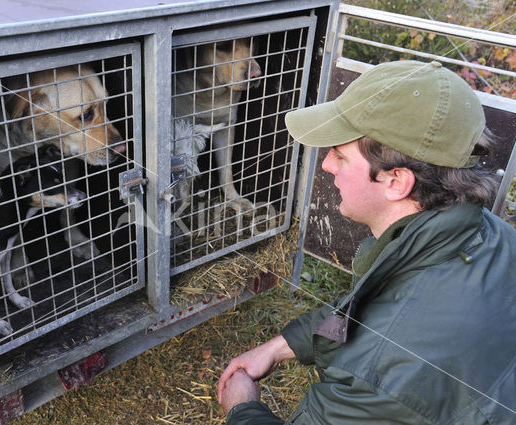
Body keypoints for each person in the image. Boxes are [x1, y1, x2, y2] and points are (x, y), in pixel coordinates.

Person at [217, 60, 516, 424]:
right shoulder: (489, 234)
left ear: (396, 182)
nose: (326, 165)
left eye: (340, 155)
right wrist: (283, 346)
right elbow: (373, 307)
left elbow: (383, 338)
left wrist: (242, 407)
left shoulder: (380, 374)